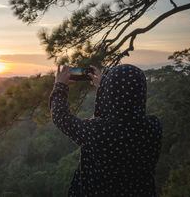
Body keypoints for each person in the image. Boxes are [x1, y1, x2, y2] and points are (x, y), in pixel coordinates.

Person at [49, 64, 162, 196]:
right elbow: (124, 109)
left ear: (111, 92)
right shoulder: (153, 126)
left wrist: (60, 86)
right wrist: (104, 88)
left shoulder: (99, 132)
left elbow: (61, 117)